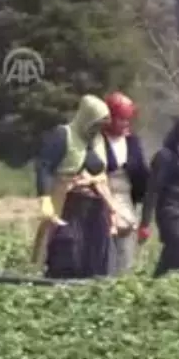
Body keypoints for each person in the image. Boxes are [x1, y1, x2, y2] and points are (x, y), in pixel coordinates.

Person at [33, 94, 117, 279]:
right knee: (65, 247)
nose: (97, 129)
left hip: (89, 204)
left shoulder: (93, 141)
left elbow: (98, 169)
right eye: (95, 124)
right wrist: (45, 199)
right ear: (86, 118)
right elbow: (44, 166)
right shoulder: (63, 135)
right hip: (65, 200)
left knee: (92, 252)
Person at [100, 92, 148, 275]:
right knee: (105, 249)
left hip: (127, 199)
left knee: (125, 250)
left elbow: (141, 171)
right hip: (104, 198)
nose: (125, 124)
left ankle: (122, 279)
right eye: (121, 119)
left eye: (128, 119)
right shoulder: (98, 140)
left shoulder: (132, 141)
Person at [139, 117, 179, 277]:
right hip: (172, 214)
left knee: (172, 257)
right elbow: (152, 191)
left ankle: (152, 285)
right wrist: (145, 224)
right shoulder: (165, 157)